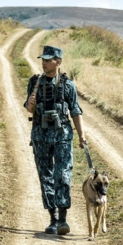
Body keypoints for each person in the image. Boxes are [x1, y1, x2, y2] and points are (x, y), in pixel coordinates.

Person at [25, 45, 87, 235]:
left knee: (63, 176)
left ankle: (63, 219)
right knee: (46, 176)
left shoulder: (68, 85)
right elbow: (29, 109)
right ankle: (52, 219)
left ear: (58, 62)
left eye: (48, 60)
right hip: (41, 137)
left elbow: (75, 111)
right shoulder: (34, 82)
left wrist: (81, 135)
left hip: (62, 137)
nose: (44, 63)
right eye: (42, 60)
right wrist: (31, 104)